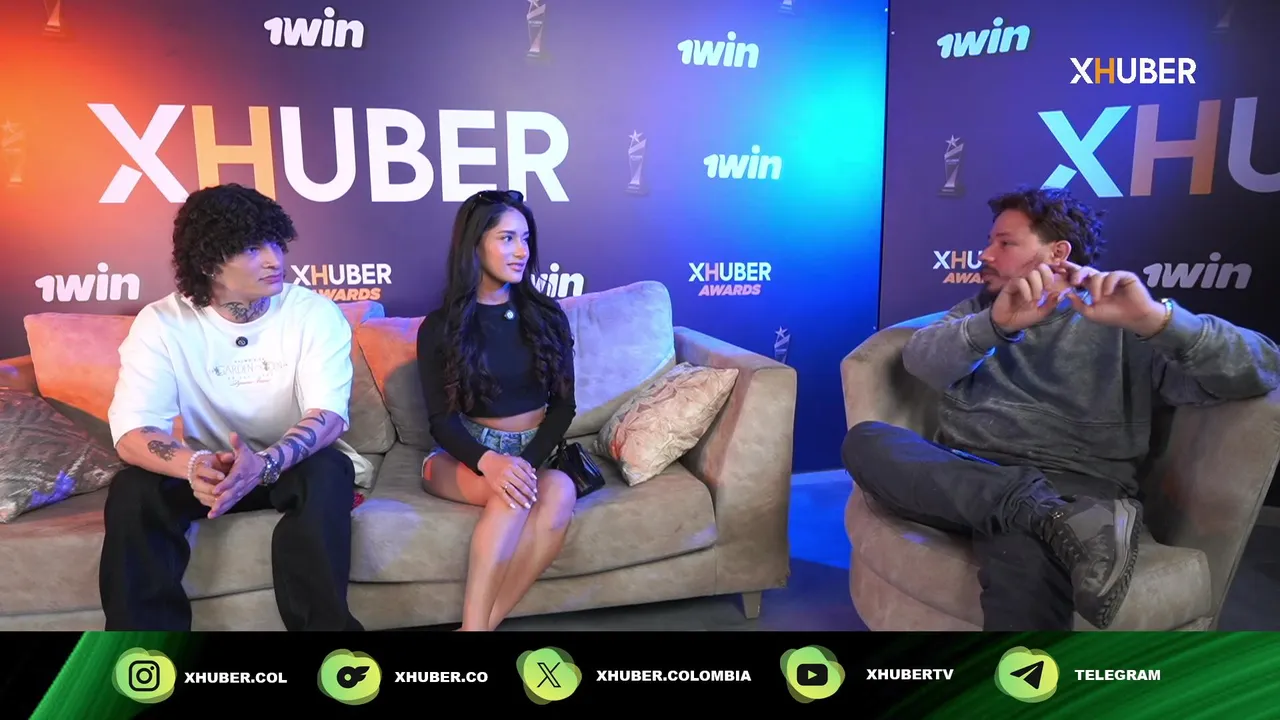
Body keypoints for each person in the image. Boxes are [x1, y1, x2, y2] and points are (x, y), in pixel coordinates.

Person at [843, 187, 1280, 631]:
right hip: (973, 475)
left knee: (1028, 559)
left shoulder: (1123, 322)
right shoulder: (980, 310)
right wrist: (995, 326)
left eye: (1005, 243)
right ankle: (1048, 514)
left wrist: (1157, 321)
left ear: (1057, 253)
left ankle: (1041, 523)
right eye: (990, 241)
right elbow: (921, 362)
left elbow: (1262, 369)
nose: (985, 254)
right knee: (867, 442)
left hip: (1076, 484)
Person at [100, 183, 365, 632]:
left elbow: (328, 415)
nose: (274, 260)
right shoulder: (161, 322)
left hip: (285, 464)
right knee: (133, 489)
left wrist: (263, 464)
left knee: (328, 471)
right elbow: (132, 432)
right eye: (251, 248)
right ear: (208, 262)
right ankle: (144, 650)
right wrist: (196, 466)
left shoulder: (313, 313)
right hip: (210, 470)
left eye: (275, 243)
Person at [417, 189, 578, 631]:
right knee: (512, 496)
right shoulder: (441, 326)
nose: (522, 251)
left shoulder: (546, 315)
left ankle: (479, 628)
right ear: (475, 244)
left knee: (559, 490)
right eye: (507, 238)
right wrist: (492, 463)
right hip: (464, 455)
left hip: (532, 451)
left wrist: (523, 463)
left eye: (525, 239)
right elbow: (441, 421)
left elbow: (564, 406)